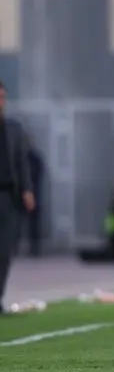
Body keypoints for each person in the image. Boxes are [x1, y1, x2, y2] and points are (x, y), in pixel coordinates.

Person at [0, 80, 35, 315]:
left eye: (3, 97)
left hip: (7, 197)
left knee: (4, 252)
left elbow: (22, 162)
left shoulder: (13, 129)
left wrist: (27, 190)